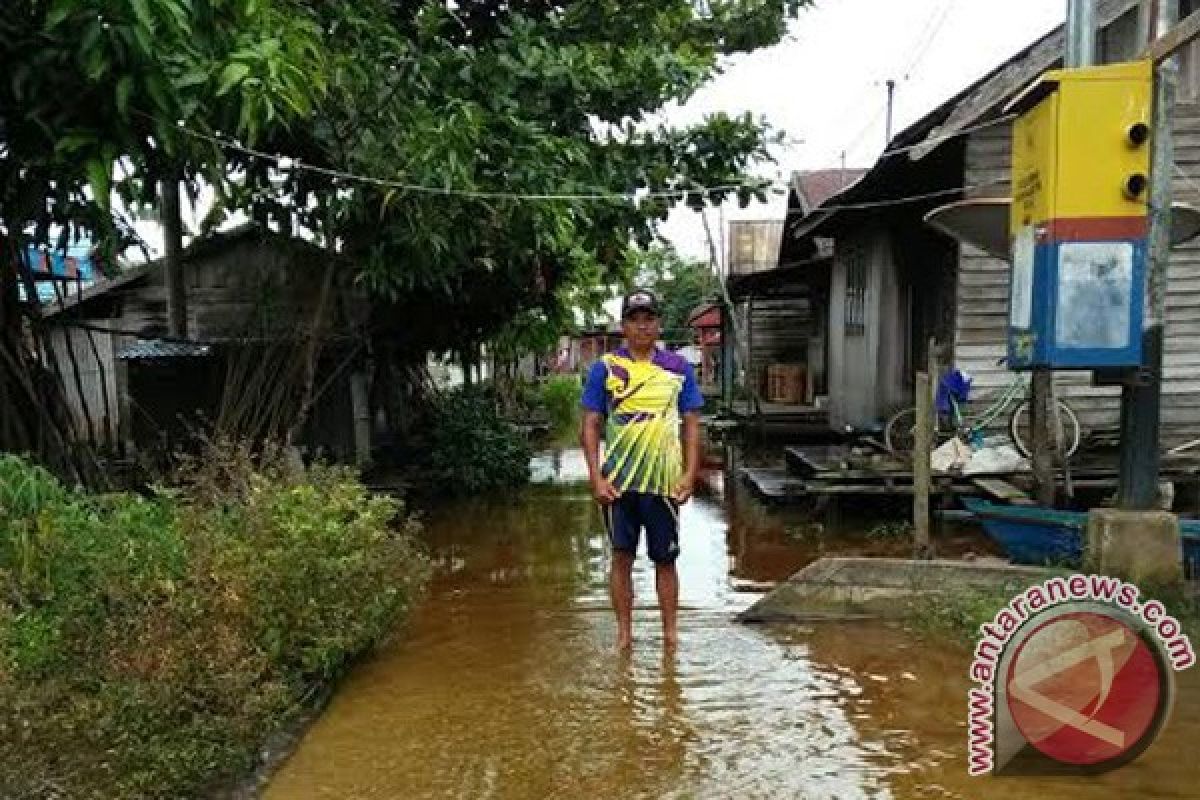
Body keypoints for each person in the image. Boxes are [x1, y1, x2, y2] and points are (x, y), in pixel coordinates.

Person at [579, 288, 705, 650]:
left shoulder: (678, 369)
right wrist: (596, 477)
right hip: (618, 483)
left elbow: (691, 422)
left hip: (664, 482)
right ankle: (624, 637)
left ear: (658, 324)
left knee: (666, 559)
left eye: (649, 319)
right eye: (634, 320)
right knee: (620, 557)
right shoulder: (605, 369)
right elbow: (590, 424)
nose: (642, 326)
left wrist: (689, 474)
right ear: (624, 326)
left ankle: (670, 637)